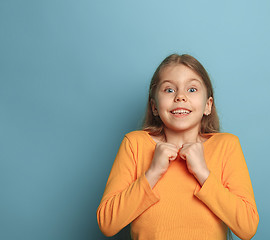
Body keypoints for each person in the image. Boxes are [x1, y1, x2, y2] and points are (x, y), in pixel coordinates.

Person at [97, 54, 259, 240]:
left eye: (191, 89)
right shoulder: (134, 144)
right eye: (169, 90)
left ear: (208, 105)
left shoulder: (227, 145)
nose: (180, 97)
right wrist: (153, 172)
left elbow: (247, 228)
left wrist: (203, 173)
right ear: (154, 107)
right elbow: (107, 224)